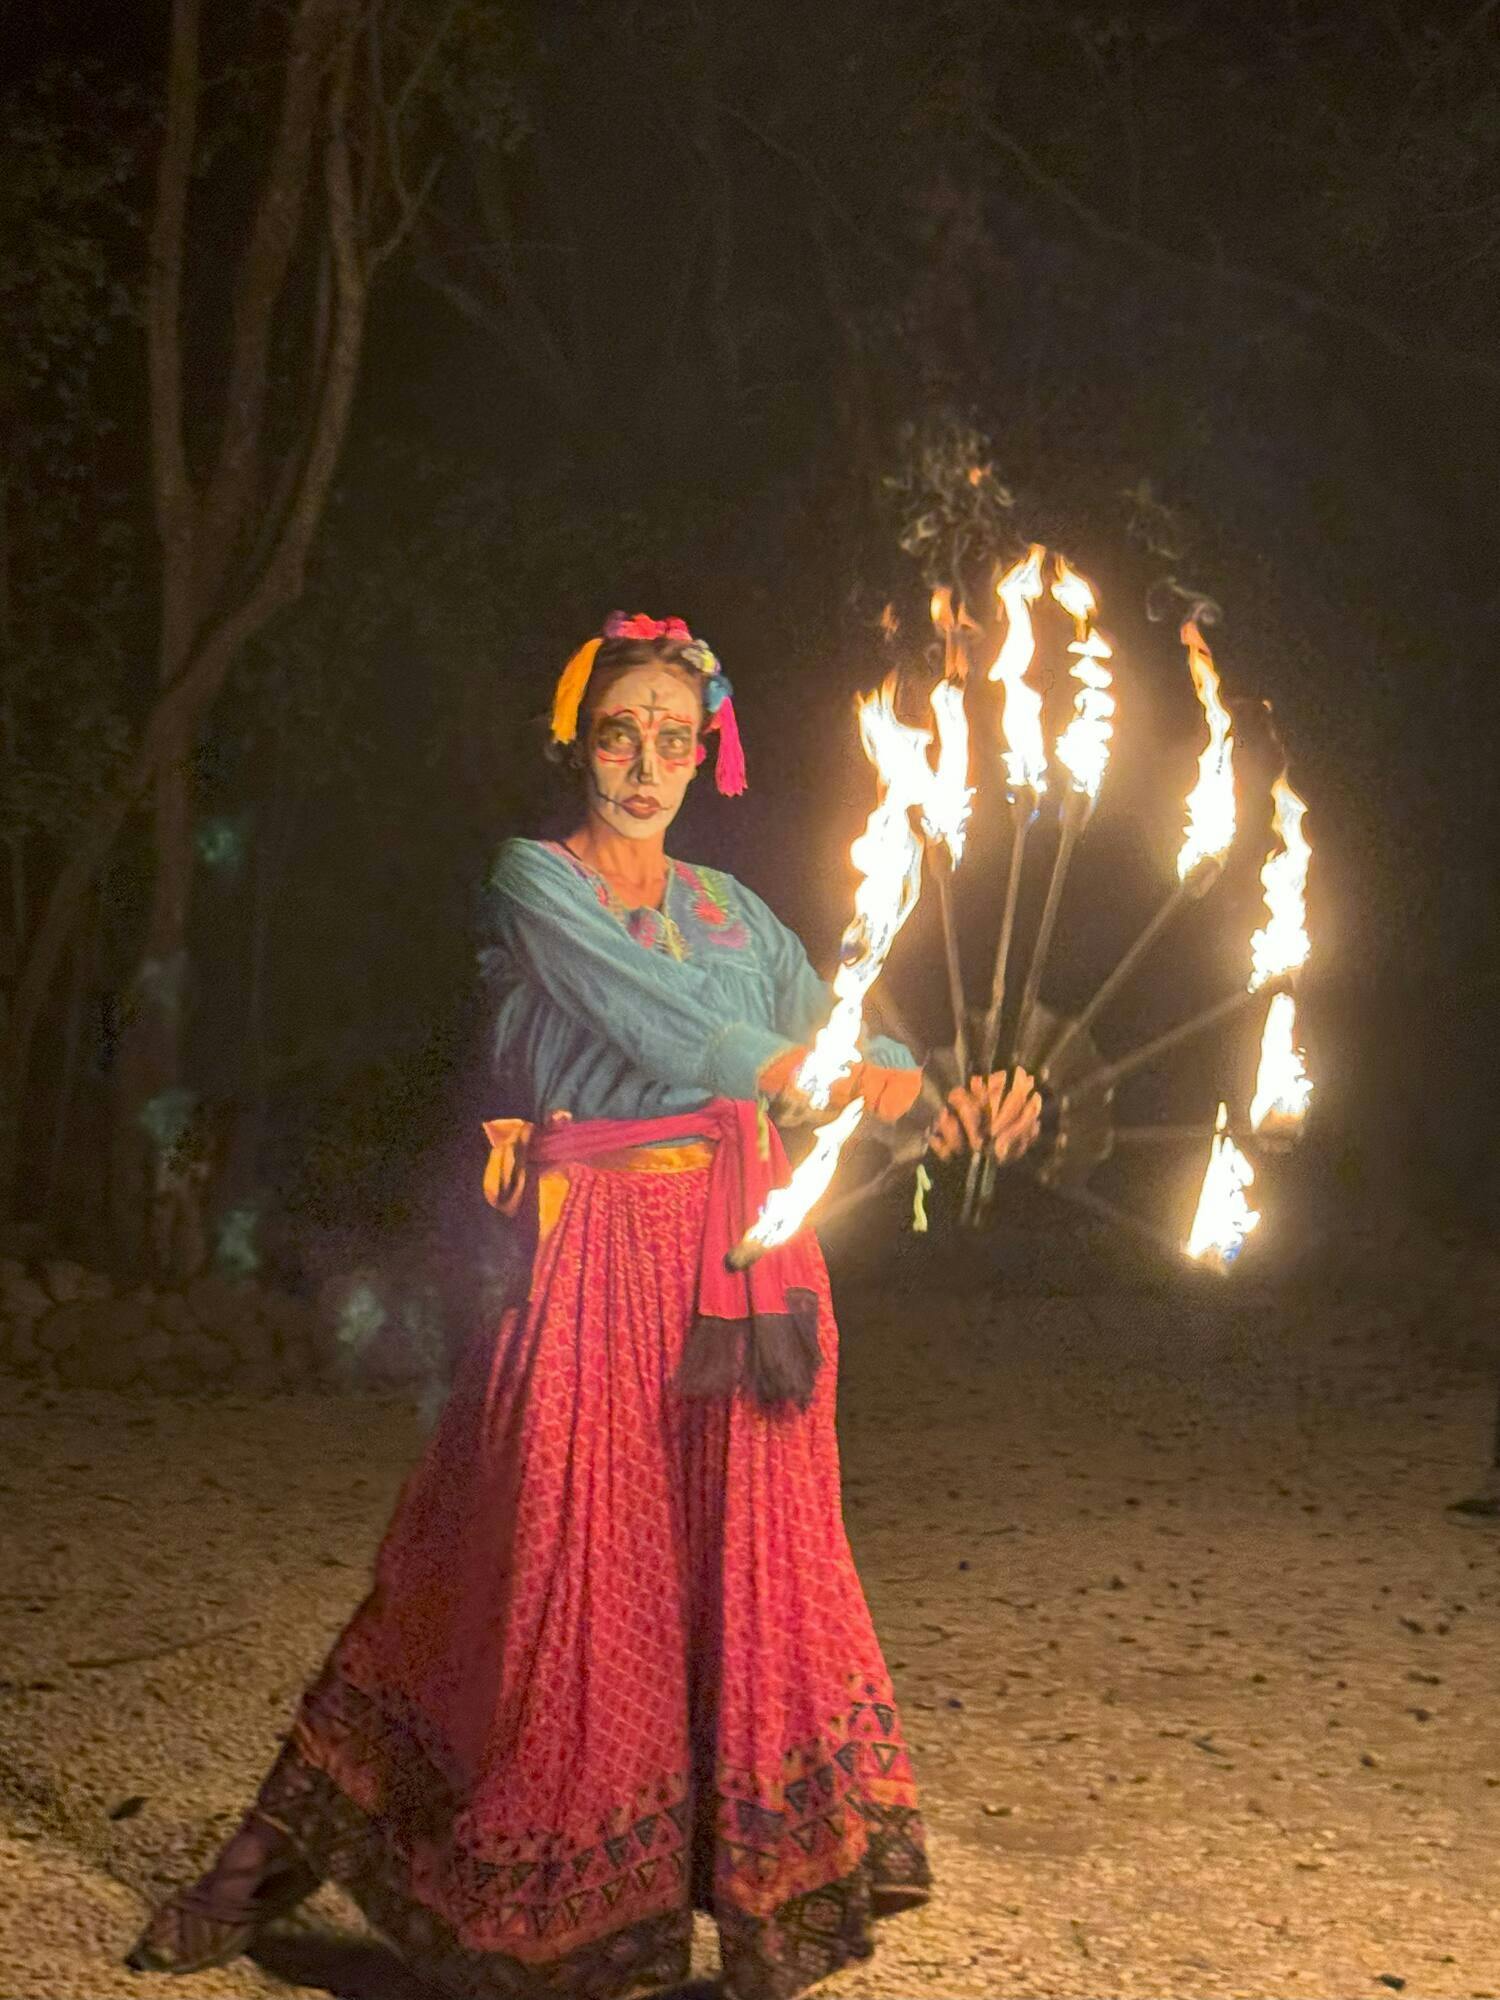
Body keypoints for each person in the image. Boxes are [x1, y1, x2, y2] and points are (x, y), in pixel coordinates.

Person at [127, 612, 1042, 1999]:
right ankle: (251, 1877)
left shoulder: (740, 912)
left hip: (740, 1269)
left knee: (729, 1585)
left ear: (705, 754)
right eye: (622, 730)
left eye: (675, 736)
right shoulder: (533, 882)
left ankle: (697, 1922)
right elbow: (667, 1030)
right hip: (588, 1260)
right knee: (500, 1567)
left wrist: (944, 1096)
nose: (646, 760)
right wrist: (838, 1075)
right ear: (580, 737)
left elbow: (855, 1035)